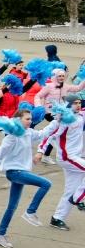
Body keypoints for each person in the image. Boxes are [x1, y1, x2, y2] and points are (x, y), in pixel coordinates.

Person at [0, 109, 51, 247]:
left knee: (12, 206)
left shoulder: (29, 132)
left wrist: (57, 121)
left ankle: (0, 234)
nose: (30, 121)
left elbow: (43, 133)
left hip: (21, 172)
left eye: (31, 119)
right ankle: (30, 212)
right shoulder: (11, 136)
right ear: (18, 120)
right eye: (27, 119)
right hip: (14, 173)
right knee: (46, 183)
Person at [38, 95, 85, 230]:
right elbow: (50, 135)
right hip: (67, 157)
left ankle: (57, 218)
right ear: (68, 105)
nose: (78, 105)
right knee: (74, 194)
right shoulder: (64, 120)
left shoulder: (81, 115)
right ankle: (78, 199)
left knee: (70, 190)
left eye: (79, 102)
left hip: (75, 158)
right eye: (75, 103)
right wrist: (40, 151)